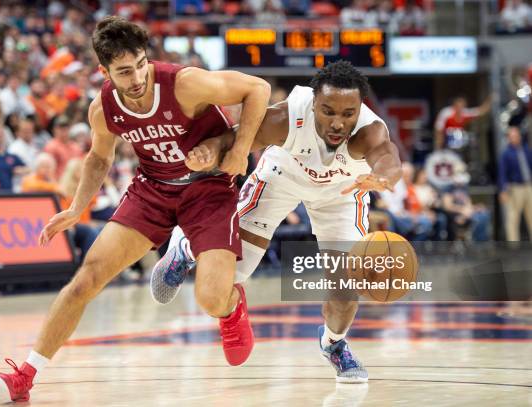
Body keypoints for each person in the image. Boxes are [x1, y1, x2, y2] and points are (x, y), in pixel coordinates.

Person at [0, 16, 270, 403]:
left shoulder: (184, 83)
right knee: (87, 277)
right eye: (124, 71)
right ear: (104, 72)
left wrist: (239, 151)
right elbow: (98, 158)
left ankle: (230, 303)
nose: (137, 77)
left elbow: (258, 88)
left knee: (209, 298)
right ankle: (26, 373)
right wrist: (75, 208)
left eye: (140, 65)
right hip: (152, 188)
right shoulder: (102, 109)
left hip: (207, 189)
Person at [150, 61, 402, 383]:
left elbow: (388, 158)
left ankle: (334, 345)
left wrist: (382, 177)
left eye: (347, 114)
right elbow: (234, 139)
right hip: (283, 176)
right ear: (313, 105)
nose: (338, 123)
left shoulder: (370, 130)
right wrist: (207, 152)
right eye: (328, 111)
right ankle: (186, 247)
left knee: (345, 291)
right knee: (235, 273)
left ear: (359, 109)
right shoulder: (288, 117)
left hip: (342, 193)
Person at [498, 126, 532, 241]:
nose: (516, 138)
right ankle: (513, 246)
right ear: (509, 138)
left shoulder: (526, 150)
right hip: (515, 187)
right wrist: (503, 190)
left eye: (517, 136)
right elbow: (502, 173)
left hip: (528, 186)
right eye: (512, 136)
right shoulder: (506, 154)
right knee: (513, 218)